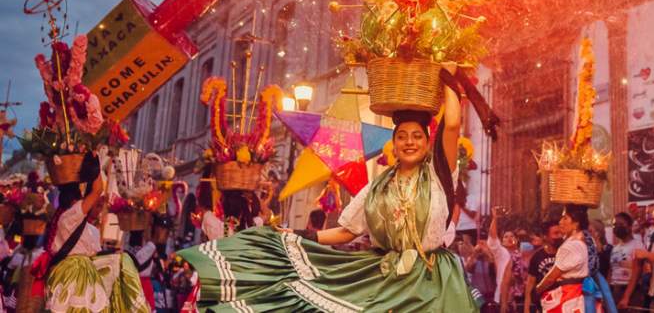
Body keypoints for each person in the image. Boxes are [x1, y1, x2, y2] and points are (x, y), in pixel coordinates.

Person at [178, 63, 480, 311]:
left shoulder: (439, 173)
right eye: (403, 136)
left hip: (434, 281)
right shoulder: (377, 188)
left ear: (428, 145)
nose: (410, 142)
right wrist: (298, 235)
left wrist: (445, 73)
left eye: (417, 136)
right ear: (395, 144)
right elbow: (348, 231)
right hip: (387, 278)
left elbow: (452, 124)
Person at [35, 153, 148, 313]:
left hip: (73, 274)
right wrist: (93, 160)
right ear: (76, 201)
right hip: (76, 276)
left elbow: (95, 255)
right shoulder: (70, 216)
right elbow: (97, 190)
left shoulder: (69, 220)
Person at [535, 205, 610, 313]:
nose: (560, 222)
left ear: (576, 223)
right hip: (582, 296)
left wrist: (537, 290)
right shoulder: (587, 242)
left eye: (565, 218)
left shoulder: (571, 246)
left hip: (570, 298)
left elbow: (551, 277)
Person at [524, 220, 562, 313]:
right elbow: (530, 285)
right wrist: (526, 309)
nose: (559, 236)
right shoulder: (537, 257)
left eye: (560, 233)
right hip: (544, 305)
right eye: (556, 233)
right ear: (545, 236)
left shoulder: (565, 253)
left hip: (562, 303)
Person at [608, 212, 644, 307]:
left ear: (629, 226)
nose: (616, 227)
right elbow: (611, 271)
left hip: (630, 291)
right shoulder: (615, 248)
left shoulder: (637, 245)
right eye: (614, 225)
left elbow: (637, 272)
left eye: (621, 224)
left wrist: (626, 297)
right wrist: (607, 293)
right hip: (615, 290)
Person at [488, 207, 519, 305]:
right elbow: (493, 236)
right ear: (502, 241)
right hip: (503, 298)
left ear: (517, 240)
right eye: (506, 237)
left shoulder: (522, 255)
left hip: (519, 298)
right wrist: (495, 219)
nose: (509, 238)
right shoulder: (501, 253)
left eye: (512, 236)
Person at [127, 230, 158, 310]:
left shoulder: (127, 252)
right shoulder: (147, 250)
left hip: (131, 282)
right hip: (144, 283)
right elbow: (154, 241)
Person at [466, 239, 496, 305]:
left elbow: (493, 267)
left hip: (490, 294)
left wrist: (487, 250)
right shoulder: (473, 261)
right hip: (477, 294)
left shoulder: (490, 262)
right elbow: (468, 268)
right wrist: (475, 253)